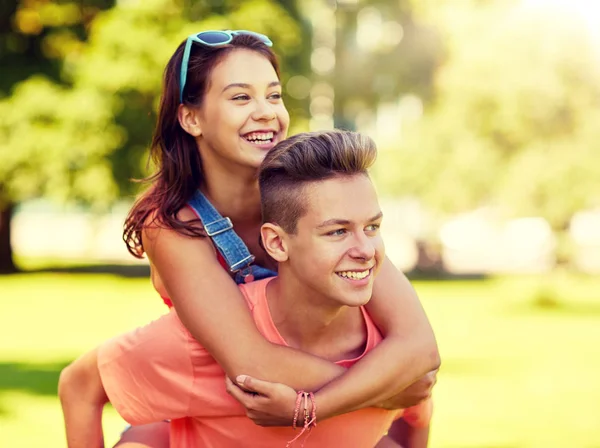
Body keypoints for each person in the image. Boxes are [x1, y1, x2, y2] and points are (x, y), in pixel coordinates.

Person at [58, 30, 439, 447]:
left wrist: (350, 397)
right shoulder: (171, 223)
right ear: (191, 118)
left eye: (274, 96)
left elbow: (416, 343)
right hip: (207, 394)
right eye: (241, 98)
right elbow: (252, 362)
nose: (265, 113)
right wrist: (385, 389)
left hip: (301, 396)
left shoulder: (307, 195)